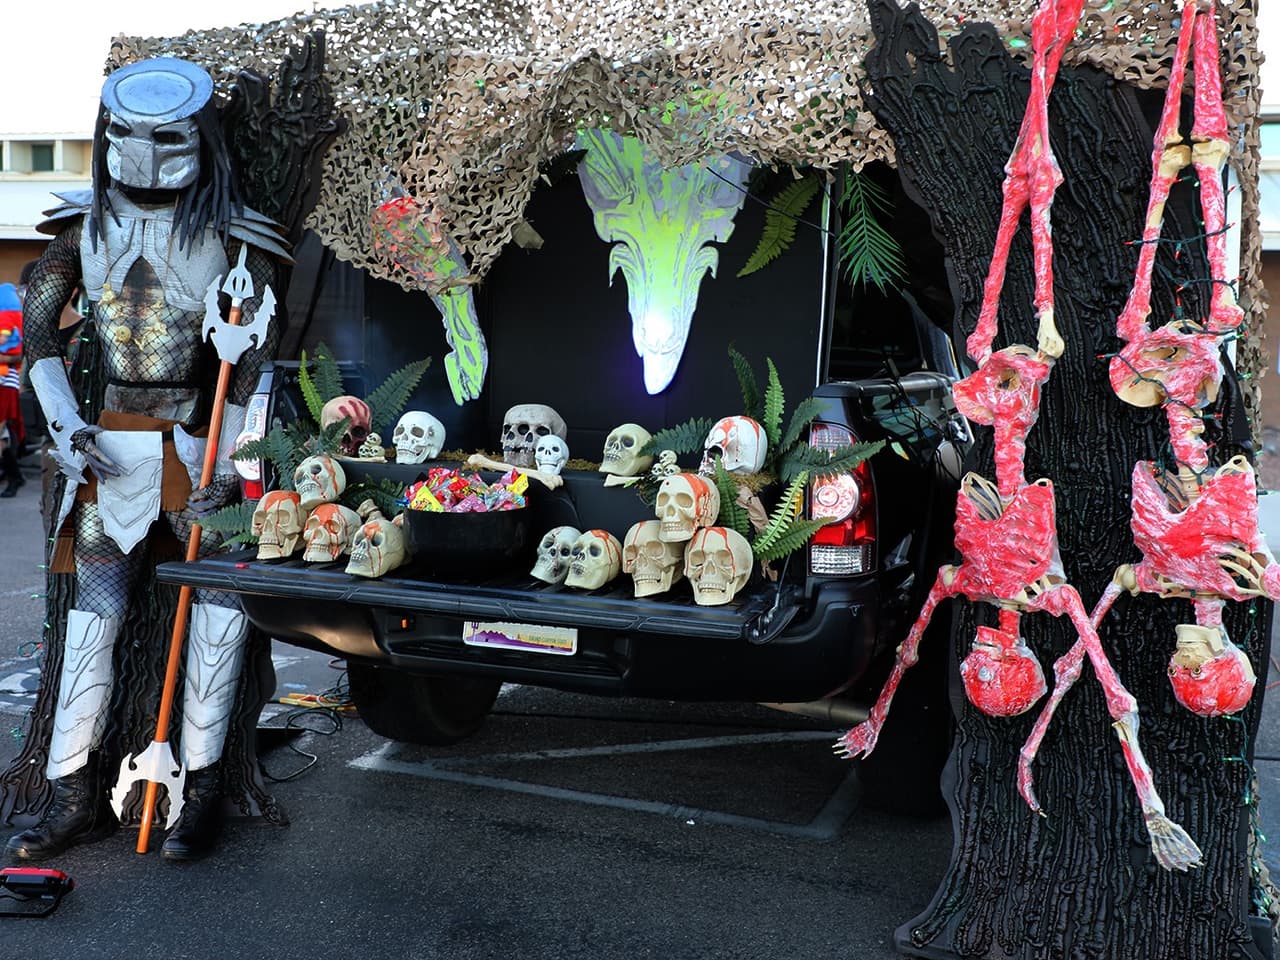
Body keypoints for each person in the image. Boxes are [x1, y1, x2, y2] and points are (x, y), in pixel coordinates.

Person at [5, 57, 288, 862]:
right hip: (107, 455)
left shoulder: (237, 239)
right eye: (129, 136)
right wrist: (63, 425)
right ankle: (68, 792)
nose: (147, 155)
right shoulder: (78, 231)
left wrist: (229, 468)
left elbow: (255, 363)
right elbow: (38, 342)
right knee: (94, 622)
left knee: (221, 617)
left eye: (167, 137)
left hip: (200, 455)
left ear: (198, 137)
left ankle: (198, 793)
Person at [0, 282, 24, 497]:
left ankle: (14, 478)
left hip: (5, 383)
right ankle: (13, 477)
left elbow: (14, 353)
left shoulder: (7, 322)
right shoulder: (15, 321)